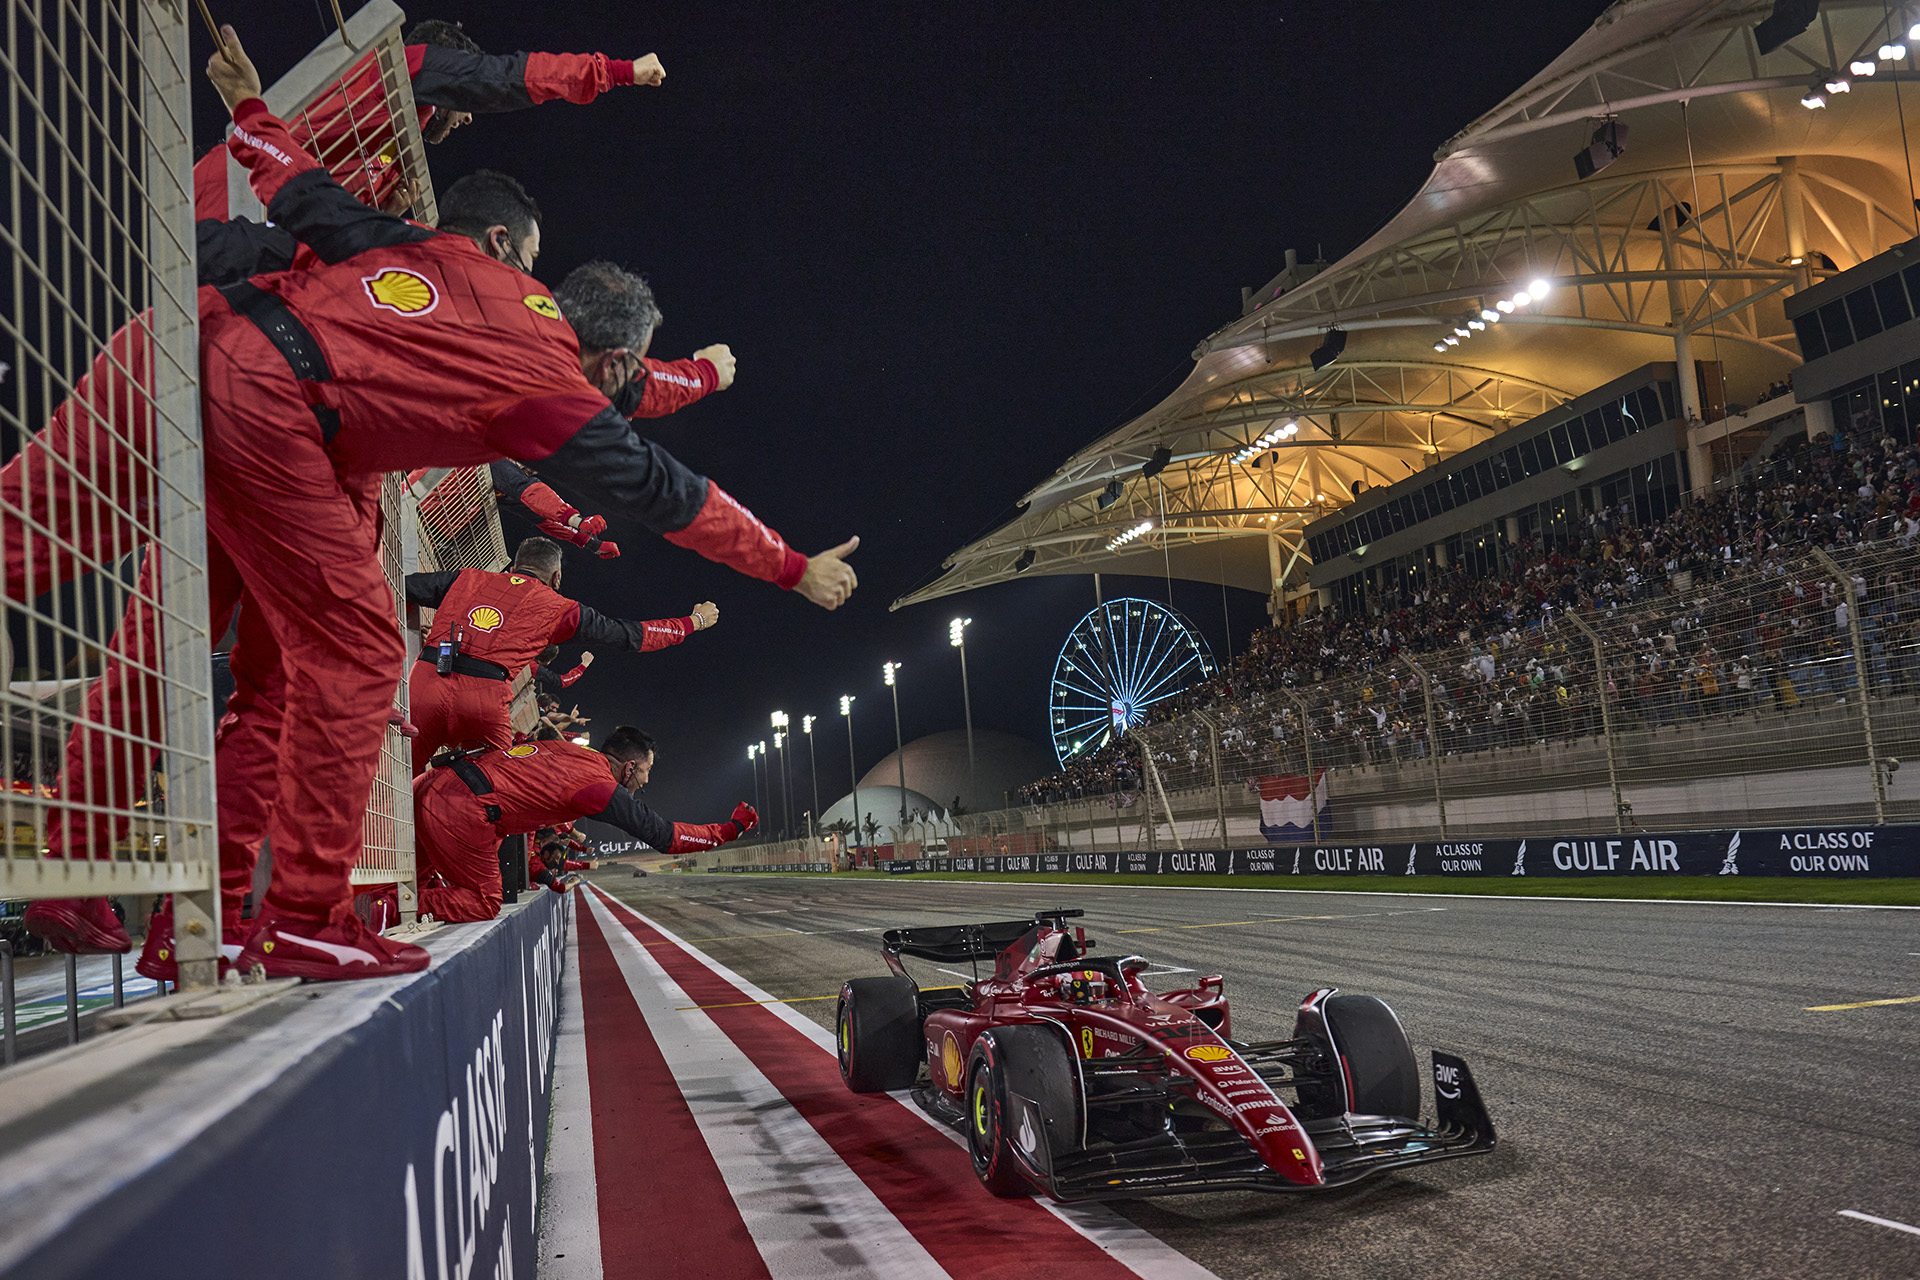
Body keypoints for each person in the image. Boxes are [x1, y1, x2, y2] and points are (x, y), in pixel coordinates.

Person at [29, 30, 860, 978]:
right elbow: (665, 489)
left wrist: (250, 110)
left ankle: (205, 918)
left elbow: (312, 199)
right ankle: (294, 911)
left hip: (203, 343)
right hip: (272, 408)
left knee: (96, 582)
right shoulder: (543, 388)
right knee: (347, 655)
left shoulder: (457, 266)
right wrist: (790, 565)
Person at [191, 18, 664, 221]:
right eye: (465, 102)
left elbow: (322, 212)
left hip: (253, 231)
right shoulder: (408, 67)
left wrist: (379, 215)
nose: (469, 119)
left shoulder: (394, 156)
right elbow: (503, 79)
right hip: (227, 189)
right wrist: (616, 72)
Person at [404, 535, 717, 773]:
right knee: (490, 795)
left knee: (394, 776)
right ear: (556, 579)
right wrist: (694, 622)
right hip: (484, 699)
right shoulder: (561, 607)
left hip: (428, 679)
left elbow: (402, 587)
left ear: (513, 566)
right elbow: (630, 635)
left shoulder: (466, 577)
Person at [414, 726, 752, 922]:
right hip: (461, 810)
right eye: (647, 772)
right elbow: (663, 836)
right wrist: (728, 830)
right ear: (630, 767)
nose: (645, 783)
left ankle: (382, 906)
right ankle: (393, 909)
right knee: (485, 902)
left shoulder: (569, 750)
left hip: (431, 782)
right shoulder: (599, 786)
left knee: (414, 879)